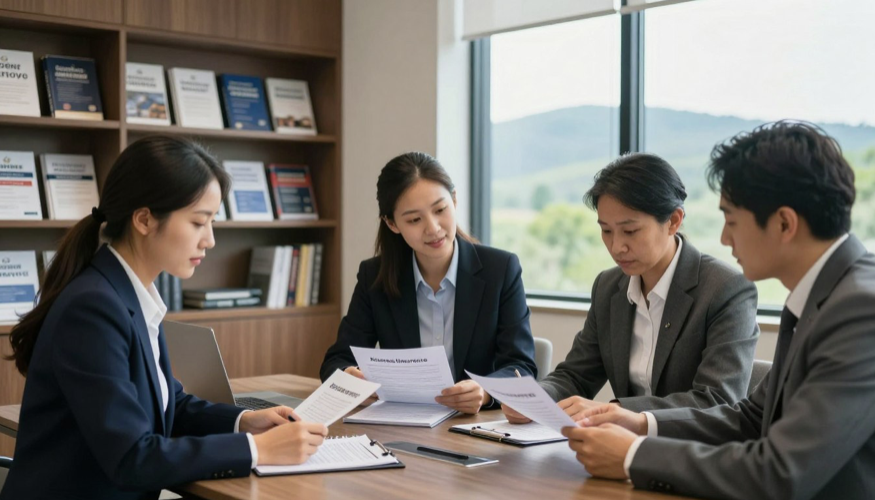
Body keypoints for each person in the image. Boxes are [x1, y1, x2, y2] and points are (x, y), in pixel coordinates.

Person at [1, 136, 327, 500]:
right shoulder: (93, 307)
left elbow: (168, 402)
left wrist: (243, 422)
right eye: (199, 222)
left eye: (212, 222)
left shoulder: (126, 293)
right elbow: (131, 456)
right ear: (144, 219)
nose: (210, 240)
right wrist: (258, 451)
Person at [564, 121, 875, 500]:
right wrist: (640, 422)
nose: (725, 239)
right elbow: (749, 418)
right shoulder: (825, 295)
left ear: (784, 223)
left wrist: (634, 455)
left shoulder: (861, 310)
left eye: (731, 221)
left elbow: (780, 472)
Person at [502, 153, 759, 425]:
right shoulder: (608, 286)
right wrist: (535, 398)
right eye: (606, 231)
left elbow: (716, 401)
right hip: (620, 450)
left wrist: (616, 411)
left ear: (673, 221)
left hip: (692, 455)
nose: (616, 247)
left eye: (630, 231)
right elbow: (576, 375)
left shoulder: (726, 290)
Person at [320, 152, 537, 413]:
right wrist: (350, 377)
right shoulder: (374, 276)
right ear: (392, 223)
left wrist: (486, 392)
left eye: (440, 209)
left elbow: (522, 368)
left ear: (454, 200)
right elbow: (336, 361)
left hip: (473, 429)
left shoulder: (500, 270)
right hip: (402, 425)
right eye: (414, 219)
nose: (433, 228)